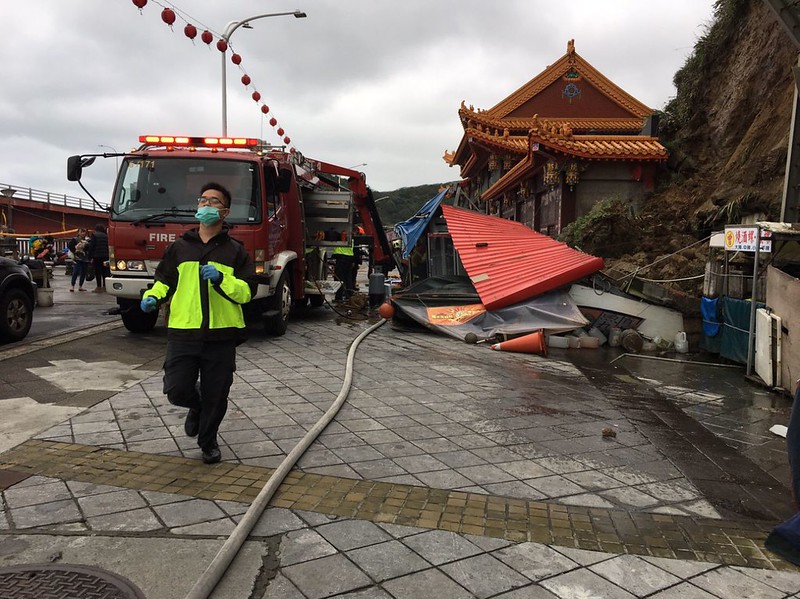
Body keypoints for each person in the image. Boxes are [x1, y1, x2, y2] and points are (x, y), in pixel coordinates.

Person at [140, 182, 255, 464]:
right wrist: (152, 296)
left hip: (222, 334)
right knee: (176, 389)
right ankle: (196, 404)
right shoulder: (179, 248)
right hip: (184, 331)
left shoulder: (236, 251)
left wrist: (222, 279)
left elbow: (247, 292)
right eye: (203, 200)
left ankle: (208, 441)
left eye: (214, 202)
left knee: (218, 394)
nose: (206, 205)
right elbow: (164, 281)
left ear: (225, 212)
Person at [86, 223, 109, 292]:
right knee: (105, 272)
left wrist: (89, 257)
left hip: (97, 256)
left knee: (98, 272)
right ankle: (105, 287)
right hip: (105, 256)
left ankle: (99, 287)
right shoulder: (106, 236)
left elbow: (92, 246)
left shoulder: (94, 235)